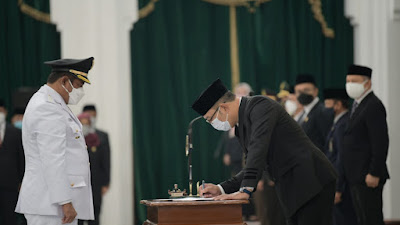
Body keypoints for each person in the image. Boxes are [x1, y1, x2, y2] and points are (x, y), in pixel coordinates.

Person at [194, 79, 337, 225]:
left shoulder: (260, 106)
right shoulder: (241, 124)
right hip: (293, 187)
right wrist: (221, 188)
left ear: (223, 108)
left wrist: (245, 190)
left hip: (311, 179)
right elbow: (254, 162)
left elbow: (258, 147)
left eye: (210, 119)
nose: (213, 124)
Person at [15, 57, 95, 225]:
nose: (80, 93)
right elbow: (52, 158)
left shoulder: (54, 104)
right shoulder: (46, 107)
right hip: (51, 205)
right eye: (79, 86)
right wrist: (65, 201)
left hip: (53, 204)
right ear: (65, 81)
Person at [343, 65, 389, 225]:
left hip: (368, 175)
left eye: (354, 81)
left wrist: (374, 172)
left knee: (371, 218)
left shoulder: (373, 105)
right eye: (348, 81)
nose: (349, 84)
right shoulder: (357, 105)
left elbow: (380, 142)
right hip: (356, 174)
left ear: (367, 83)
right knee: (362, 219)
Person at [323, 89, 357, 225]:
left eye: (327, 103)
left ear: (337, 105)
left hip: (343, 184)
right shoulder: (337, 123)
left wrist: (338, 188)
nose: (325, 107)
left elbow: (341, 157)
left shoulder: (343, 124)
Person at [78, 108, 111, 225]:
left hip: (95, 183)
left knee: (95, 214)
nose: (85, 125)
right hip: (79, 184)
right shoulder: (75, 138)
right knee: (79, 215)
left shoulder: (99, 137)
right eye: (83, 122)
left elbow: (106, 161)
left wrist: (106, 182)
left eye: (88, 122)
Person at [0, 99, 25, 225]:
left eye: (0, 110)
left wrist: (21, 181)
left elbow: (21, 158)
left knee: (9, 218)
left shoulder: (15, 132)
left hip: (10, 183)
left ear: (5, 111)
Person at [294, 74, 333, 151]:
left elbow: (326, 142)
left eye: (306, 90)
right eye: (299, 91)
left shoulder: (322, 111)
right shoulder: (303, 113)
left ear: (315, 91)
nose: (302, 94)